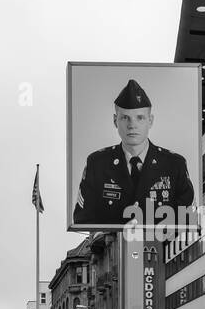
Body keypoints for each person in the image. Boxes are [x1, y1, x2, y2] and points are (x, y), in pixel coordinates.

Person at [72, 78, 195, 227]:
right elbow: (83, 219)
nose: (132, 125)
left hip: (161, 249)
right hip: (113, 249)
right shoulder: (97, 163)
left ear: (150, 121)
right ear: (114, 120)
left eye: (140, 118)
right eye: (125, 118)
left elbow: (188, 220)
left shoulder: (174, 164)